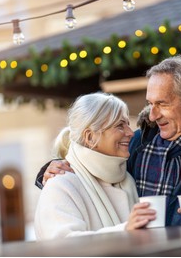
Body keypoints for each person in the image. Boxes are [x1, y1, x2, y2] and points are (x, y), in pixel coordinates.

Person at [36, 55, 181, 226]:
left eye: (162, 104)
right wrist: (51, 169)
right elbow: (96, 166)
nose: (153, 115)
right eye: (150, 103)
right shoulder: (140, 142)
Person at [34, 92, 156, 240]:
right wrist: (125, 231)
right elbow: (62, 247)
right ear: (91, 137)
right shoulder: (60, 185)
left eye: (127, 124)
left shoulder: (126, 179)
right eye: (119, 126)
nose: (130, 133)